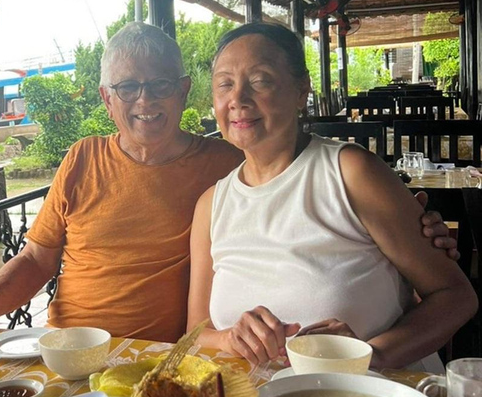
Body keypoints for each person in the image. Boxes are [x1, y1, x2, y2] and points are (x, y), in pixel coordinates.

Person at [0, 22, 457, 344]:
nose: (144, 101)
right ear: (107, 99)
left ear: (182, 91)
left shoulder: (229, 163)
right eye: (128, 88)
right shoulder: (85, 160)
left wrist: (411, 236)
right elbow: (35, 261)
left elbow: (311, 201)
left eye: (159, 86)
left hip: (163, 358)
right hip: (69, 351)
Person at [187, 23, 477, 372]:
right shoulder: (211, 205)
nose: (238, 99)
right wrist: (229, 337)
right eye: (224, 84)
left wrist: (371, 355)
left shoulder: (351, 172)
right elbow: (195, 334)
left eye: (260, 80)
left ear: (301, 90)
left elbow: (455, 296)